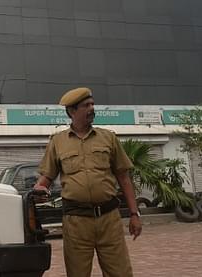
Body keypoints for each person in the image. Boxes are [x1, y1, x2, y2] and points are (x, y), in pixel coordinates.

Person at [34, 87, 141, 277]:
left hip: (109, 219)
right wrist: (39, 188)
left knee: (121, 273)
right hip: (76, 222)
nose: (92, 108)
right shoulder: (58, 142)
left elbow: (123, 177)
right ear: (72, 111)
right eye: (86, 105)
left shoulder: (108, 137)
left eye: (92, 104)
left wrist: (134, 214)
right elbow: (46, 179)